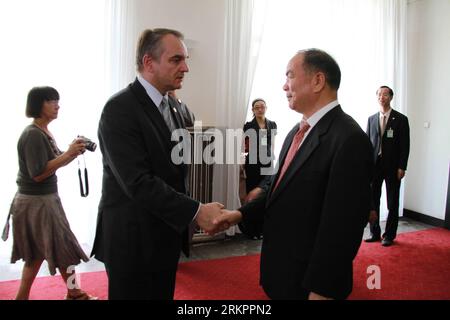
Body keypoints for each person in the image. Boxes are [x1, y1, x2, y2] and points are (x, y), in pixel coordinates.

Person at [215, 49, 373, 300]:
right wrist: (238, 215)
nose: (284, 86)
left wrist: (321, 290)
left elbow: (342, 230)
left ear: (318, 81)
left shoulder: (349, 139)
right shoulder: (296, 132)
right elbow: (279, 188)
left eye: (290, 76)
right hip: (284, 273)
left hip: (309, 282)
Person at [91, 28, 225, 300]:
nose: (186, 67)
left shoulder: (174, 108)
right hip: (132, 243)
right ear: (148, 62)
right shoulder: (119, 109)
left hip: (164, 238)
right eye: (176, 59)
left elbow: (174, 171)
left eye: (185, 59)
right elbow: (138, 183)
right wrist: (196, 211)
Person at [3, 86, 96, 300]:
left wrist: (72, 152)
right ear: (38, 104)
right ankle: (74, 294)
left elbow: (49, 164)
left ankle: (68, 293)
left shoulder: (42, 131)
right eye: (51, 100)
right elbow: (38, 174)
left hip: (39, 201)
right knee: (62, 249)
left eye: (57, 100)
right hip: (38, 202)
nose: (57, 105)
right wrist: (69, 153)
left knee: (41, 254)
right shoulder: (33, 134)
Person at [365, 86, 410, 247]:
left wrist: (402, 167)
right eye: (379, 94)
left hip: (393, 167)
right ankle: (374, 232)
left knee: (392, 202)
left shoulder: (401, 119)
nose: (381, 97)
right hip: (374, 166)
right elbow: (367, 144)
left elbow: (405, 145)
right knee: (372, 200)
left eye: (385, 94)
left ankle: (389, 235)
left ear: (391, 97)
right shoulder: (371, 119)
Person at [241, 98, 277, 239]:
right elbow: (245, 145)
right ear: (253, 110)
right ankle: (252, 229)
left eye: (262, 106)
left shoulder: (272, 124)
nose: (260, 109)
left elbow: (272, 144)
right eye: (257, 107)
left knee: (266, 194)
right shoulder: (248, 126)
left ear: (266, 108)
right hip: (253, 163)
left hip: (267, 162)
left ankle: (263, 229)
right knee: (252, 195)